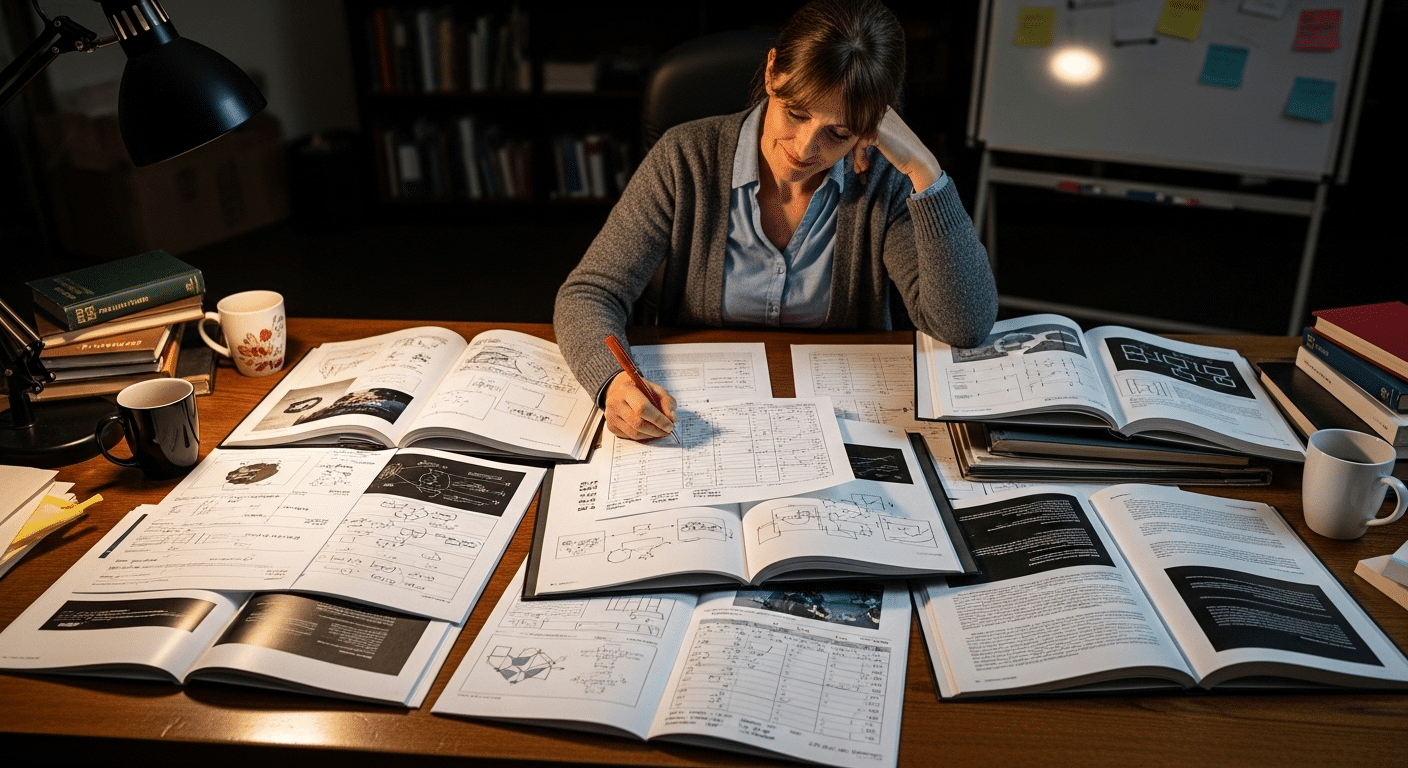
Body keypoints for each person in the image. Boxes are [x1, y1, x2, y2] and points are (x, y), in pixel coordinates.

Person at [554, 0, 998, 441]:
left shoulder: (885, 180)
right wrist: (612, 381)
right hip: (697, 419)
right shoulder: (685, 157)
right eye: (796, 112)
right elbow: (591, 293)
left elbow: (964, 326)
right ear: (771, 72)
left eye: (839, 133)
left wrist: (926, 171)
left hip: (845, 427)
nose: (805, 149)